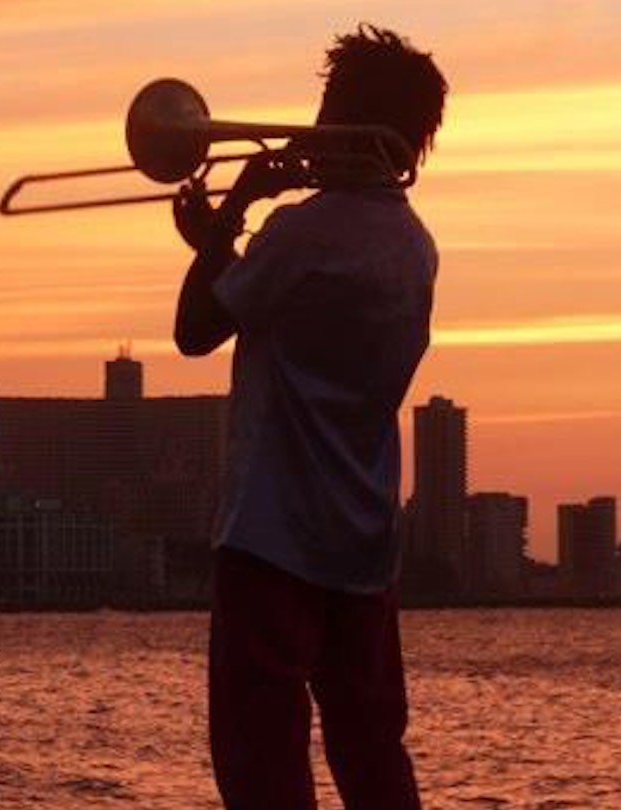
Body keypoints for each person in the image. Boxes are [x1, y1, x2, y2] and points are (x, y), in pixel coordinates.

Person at [171, 23, 449, 810]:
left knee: (260, 754)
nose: (312, 128)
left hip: (270, 533)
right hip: (363, 542)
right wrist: (221, 246)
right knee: (371, 748)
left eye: (327, 110)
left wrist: (234, 210)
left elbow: (194, 330)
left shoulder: (301, 230)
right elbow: (298, 320)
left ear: (349, 119)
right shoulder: (415, 248)